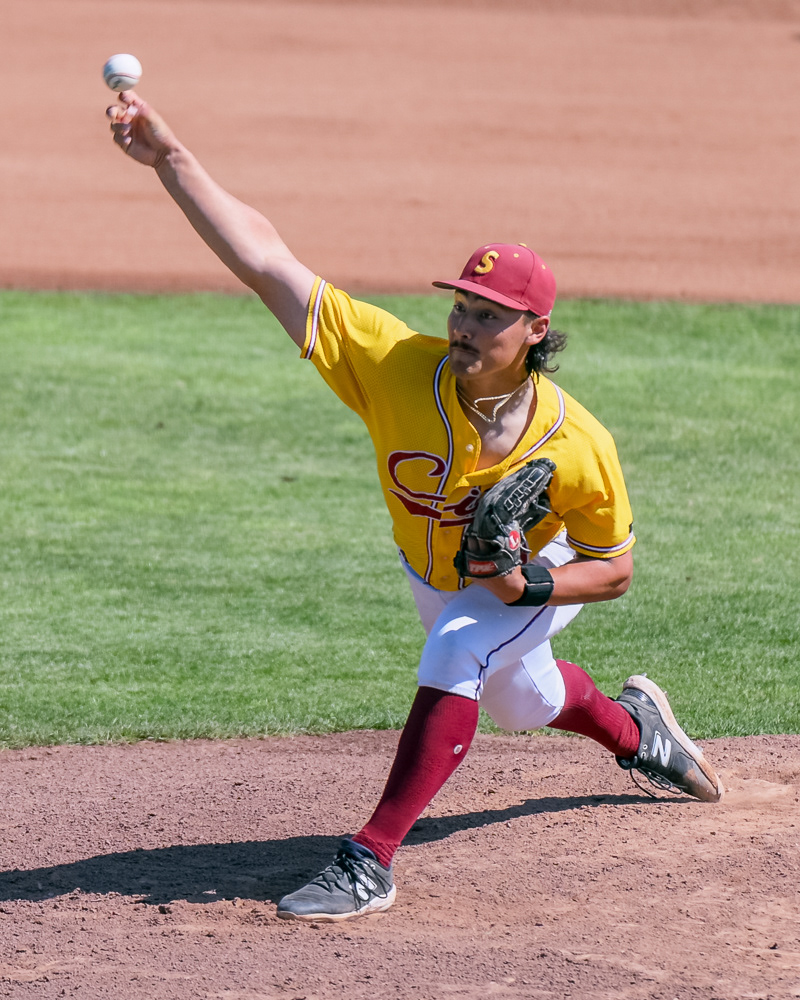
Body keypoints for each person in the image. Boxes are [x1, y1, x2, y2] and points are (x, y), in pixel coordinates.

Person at [107, 91, 724, 923]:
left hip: (540, 573)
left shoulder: (579, 443)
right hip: (432, 572)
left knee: (462, 643)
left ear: (535, 330)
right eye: (461, 307)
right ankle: (639, 730)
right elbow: (267, 261)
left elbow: (615, 569)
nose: (465, 326)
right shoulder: (394, 365)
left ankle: (369, 860)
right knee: (522, 701)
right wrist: (172, 160)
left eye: (489, 316)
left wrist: (529, 587)